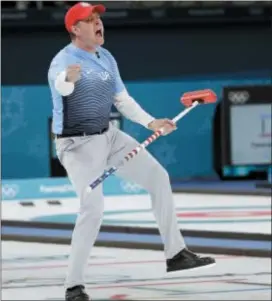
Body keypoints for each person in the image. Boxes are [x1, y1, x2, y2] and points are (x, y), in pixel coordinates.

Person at [47, 2, 215, 300]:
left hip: (108, 136)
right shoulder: (63, 62)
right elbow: (62, 87)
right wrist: (68, 81)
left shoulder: (106, 58)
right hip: (77, 145)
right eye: (90, 20)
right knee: (93, 209)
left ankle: (176, 253)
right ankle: (74, 286)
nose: (99, 23)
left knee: (158, 178)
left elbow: (122, 100)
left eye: (99, 18)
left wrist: (152, 122)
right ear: (75, 29)